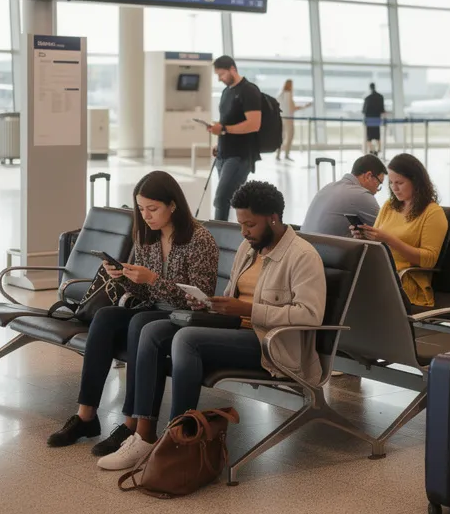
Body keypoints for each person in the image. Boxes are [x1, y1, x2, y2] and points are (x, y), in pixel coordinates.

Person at [96, 181, 325, 471]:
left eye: (250, 225)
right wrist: (208, 303)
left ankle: (178, 440)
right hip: (233, 328)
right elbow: (233, 294)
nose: (243, 232)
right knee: (152, 331)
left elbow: (310, 315)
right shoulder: (249, 247)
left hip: (271, 344)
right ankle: (144, 435)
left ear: (274, 218)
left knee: (186, 340)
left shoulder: (302, 256)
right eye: (240, 224)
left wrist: (248, 309)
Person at [48, 171, 220, 455]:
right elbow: (144, 294)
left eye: (153, 209)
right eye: (141, 209)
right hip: (153, 308)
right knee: (105, 317)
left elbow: (200, 300)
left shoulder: (199, 239)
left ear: (173, 205)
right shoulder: (146, 236)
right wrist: (122, 277)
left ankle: (131, 423)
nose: (146, 215)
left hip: (184, 317)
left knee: (140, 322)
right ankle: (85, 416)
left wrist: (153, 279)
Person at [350, 153, 448, 307]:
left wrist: (390, 240)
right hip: (383, 273)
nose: (394, 188)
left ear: (416, 182)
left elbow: (429, 260)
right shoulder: (389, 206)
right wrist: (363, 237)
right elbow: (376, 244)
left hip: (406, 281)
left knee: (351, 290)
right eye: (391, 183)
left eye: (400, 183)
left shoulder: (432, 212)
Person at [208, 56, 262, 221]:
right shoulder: (226, 92)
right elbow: (226, 121)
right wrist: (219, 142)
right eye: (217, 75)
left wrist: (223, 129)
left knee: (221, 198)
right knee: (231, 198)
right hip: (224, 154)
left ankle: (218, 239)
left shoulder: (249, 91)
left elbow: (254, 124)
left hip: (240, 155)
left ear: (233, 69)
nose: (219, 79)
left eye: (222, 74)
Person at [300, 154, 386, 238]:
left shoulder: (328, 187)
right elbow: (386, 229)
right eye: (378, 184)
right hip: (324, 251)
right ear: (368, 176)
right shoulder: (361, 194)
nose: (376, 191)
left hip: (305, 245)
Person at [275, 79, 309, 161]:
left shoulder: (280, 94)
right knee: (290, 136)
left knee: (281, 137)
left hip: (281, 118)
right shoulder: (289, 94)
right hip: (288, 118)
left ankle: (278, 154)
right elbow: (292, 108)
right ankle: (286, 154)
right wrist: (304, 106)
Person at [363, 83, 386, 154]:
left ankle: (371, 149)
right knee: (377, 135)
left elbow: (364, 111)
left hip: (369, 120)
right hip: (377, 120)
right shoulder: (380, 97)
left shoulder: (367, 98)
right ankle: (378, 149)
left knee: (369, 136)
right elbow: (382, 110)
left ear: (370, 88)